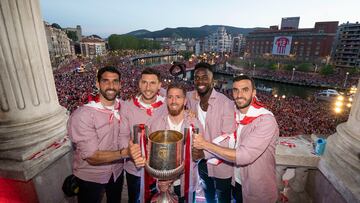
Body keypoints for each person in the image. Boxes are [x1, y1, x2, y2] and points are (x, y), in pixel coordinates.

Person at [193, 75, 279, 203]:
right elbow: (228, 139)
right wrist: (191, 108)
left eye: (245, 90)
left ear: (254, 92)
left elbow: (243, 156)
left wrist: (205, 145)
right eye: (235, 90)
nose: (239, 95)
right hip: (236, 181)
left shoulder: (265, 120)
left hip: (257, 186)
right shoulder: (232, 110)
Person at [129, 83, 204, 203]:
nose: (173, 101)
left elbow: (197, 157)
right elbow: (150, 154)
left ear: (185, 101)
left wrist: (199, 153)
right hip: (159, 184)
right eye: (170, 97)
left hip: (186, 183)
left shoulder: (194, 125)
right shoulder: (156, 124)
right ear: (166, 100)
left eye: (178, 97)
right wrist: (160, 179)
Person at [67, 66, 129, 203]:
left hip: (116, 173)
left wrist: (186, 112)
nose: (111, 86)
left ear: (120, 85)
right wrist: (125, 153)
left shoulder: (124, 107)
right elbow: (92, 157)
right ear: (97, 83)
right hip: (90, 176)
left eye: (115, 81)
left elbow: (149, 103)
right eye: (106, 81)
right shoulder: (83, 114)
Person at [186, 62, 236, 203]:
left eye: (204, 77)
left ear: (212, 80)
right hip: (202, 162)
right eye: (197, 77)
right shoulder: (190, 98)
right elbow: (171, 94)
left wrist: (205, 152)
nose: (200, 81)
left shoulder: (226, 103)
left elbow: (228, 139)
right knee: (208, 191)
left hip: (221, 162)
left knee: (223, 195)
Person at [120, 67, 167, 202]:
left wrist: (190, 114)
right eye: (144, 82)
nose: (148, 87)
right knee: (134, 199)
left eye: (152, 83)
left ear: (159, 85)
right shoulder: (127, 105)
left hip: (159, 168)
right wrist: (130, 152)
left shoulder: (167, 104)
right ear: (139, 84)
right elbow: (122, 135)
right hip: (135, 168)